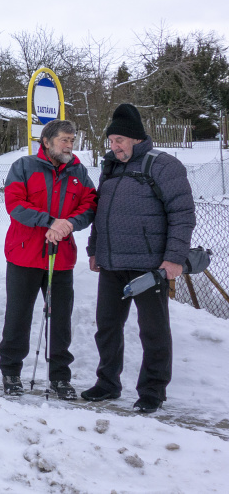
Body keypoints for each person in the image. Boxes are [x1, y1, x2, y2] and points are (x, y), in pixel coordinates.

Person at [82, 104, 196, 413]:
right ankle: (107, 383)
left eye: (119, 140)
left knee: (153, 330)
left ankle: (153, 390)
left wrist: (173, 258)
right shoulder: (111, 167)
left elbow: (182, 215)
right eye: (111, 140)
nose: (114, 146)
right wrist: (94, 250)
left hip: (149, 267)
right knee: (106, 327)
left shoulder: (163, 166)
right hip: (111, 263)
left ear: (135, 138)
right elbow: (99, 214)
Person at [0, 120, 97, 399]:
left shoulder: (79, 171)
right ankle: (11, 371)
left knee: (60, 320)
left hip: (61, 257)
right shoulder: (24, 166)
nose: (69, 145)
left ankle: (60, 377)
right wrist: (51, 221)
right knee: (18, 316)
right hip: (24, 254)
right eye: (64, 140)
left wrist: (69, 224)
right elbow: (15, 204)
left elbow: (89, 205)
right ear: (47, 141)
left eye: (72, 140)